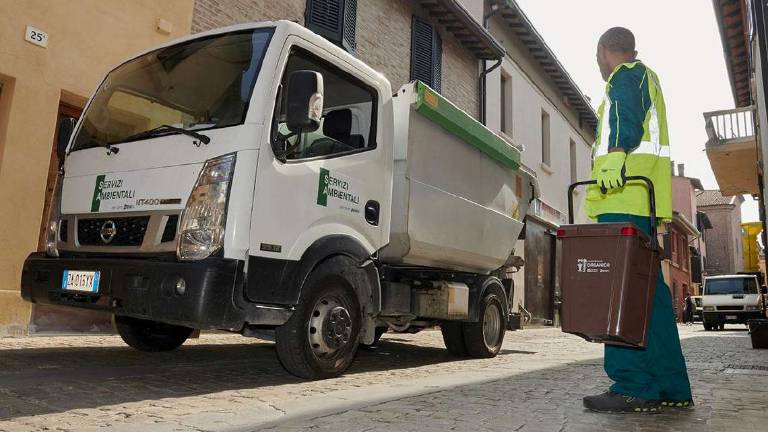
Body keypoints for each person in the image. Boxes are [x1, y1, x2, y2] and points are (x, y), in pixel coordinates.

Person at [581, 27, 693, 414]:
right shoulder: (648, 79)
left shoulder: (625, 76)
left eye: (598, 57)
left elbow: (626, 121)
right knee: (651, 297)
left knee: (622, 291)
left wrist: (613, 160)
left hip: (624, 193)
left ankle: (632, 384)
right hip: (641, 198)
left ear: (603, 51)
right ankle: (669, 384)